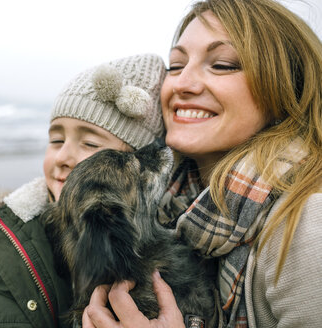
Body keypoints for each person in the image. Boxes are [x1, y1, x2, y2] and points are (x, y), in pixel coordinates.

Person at [82, 0, 322, 327]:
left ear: (285, 89)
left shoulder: (308, 223)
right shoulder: (166, 203)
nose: (183, 83)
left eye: (222, 64)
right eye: (176, 65)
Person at [0, 53, 168, 328]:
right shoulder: (8, 244)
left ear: (138, 165)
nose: (62, 156)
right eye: (56, 139)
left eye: (89, 143)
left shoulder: (169, 235)